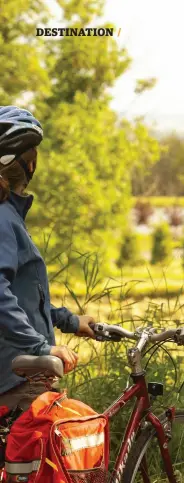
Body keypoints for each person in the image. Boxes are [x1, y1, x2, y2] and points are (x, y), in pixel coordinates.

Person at [0, 106, 95, 412]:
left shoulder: (9, 216)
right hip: (16, 376)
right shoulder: (3, 218)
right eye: (33, 155)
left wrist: (70, 321)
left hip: (21, 370)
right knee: (74, 450)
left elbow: (22, 298)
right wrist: (41, 347)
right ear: (26, 163)